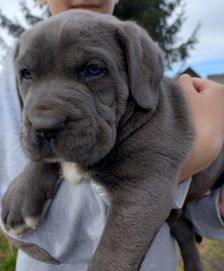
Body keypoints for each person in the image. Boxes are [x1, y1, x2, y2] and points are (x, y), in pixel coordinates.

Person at [0, 1, 224, 270]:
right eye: (27, 75)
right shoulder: (15, 66)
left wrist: (215, 208)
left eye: (93, 70)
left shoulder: (129, 50)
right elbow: (41, 238)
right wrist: (187, 161)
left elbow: (188, 208)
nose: (45, 118)